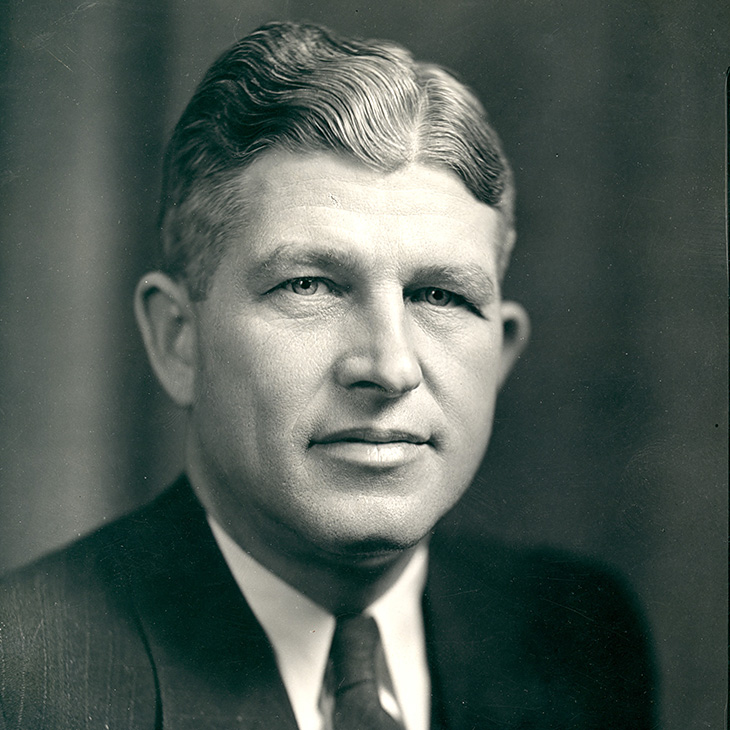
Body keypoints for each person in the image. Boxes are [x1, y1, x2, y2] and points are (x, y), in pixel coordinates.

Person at [0, 21, 655, 729]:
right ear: (177, 340)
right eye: (309, 285)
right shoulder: (28, 681)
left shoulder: (579, 637)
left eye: (440, 295)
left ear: (500, 354)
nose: (389, 366)